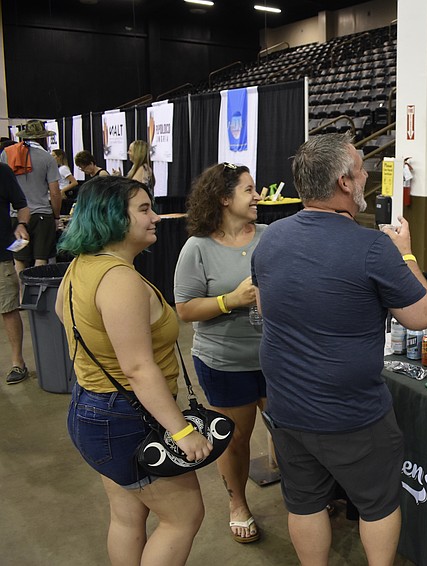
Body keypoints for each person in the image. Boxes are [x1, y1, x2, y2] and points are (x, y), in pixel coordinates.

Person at [252, 133, 427, 566]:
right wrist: (405, 254)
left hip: (287, 407)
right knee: (377, 504)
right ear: (344, 184)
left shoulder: (271, 238)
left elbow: (264, 306)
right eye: (359, 169)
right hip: (351, 414)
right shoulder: (372, 246)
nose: (366, 175)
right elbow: (420, 315)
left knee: (305, 501)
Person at [55, 176, 212, 566]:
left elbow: (65, 316)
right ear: (112, 218)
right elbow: (139, 368)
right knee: (184, 516)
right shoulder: (119, 279)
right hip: (126, 419)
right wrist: (182, 431)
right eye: (143, 209)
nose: (155, 217)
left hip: (93, 410)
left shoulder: (80, 267)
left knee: (127, 515)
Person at [173, 162, 265, 544]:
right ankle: (238, 504)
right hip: (225, 362)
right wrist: (231, 300)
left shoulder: (270, 236)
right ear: (225, 199)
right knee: (236, 439)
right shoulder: (198, 248)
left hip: (276, 357)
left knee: (290, 431)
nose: (257, 196)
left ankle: (301, 495)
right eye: (249, 190)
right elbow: (185, 309)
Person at [0, 120, 61, 275]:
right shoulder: (48, 158)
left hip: (16, 216)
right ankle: (38, 295)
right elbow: (55, 192)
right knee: (41, 258)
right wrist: (56, 216)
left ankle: (21, 296)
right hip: (42, 215)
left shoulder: (7, 154)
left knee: (19, 259)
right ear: (43, 138)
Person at [1, 163, 31, 384]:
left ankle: (18, 363)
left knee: (8, 308)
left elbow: (22, 205)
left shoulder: (2, 171)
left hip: (1, 257)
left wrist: (21, 224)